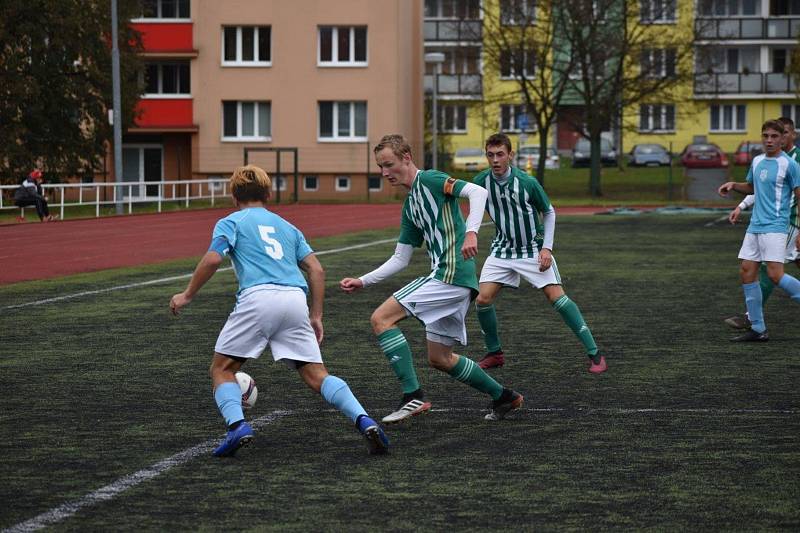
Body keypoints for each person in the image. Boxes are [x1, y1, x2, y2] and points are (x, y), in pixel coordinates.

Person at [170, 165, 389, 457]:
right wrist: (316, 316)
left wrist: (186, 295)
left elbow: (212, 260)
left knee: (222, 369)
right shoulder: (288, 227)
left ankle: (237, 425)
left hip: (258, 298)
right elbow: (317, 270)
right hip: (294, 299)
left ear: (234, 195)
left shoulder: (231, 222)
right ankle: (364, 419)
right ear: (269, 194)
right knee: (316, 375)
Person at [339, 134, 523, 423]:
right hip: (456, 283)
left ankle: (413, 395)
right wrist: (364, 280)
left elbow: (477, 192)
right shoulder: (410, 206)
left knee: (381, 319)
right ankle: (505, 397)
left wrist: (472, 231)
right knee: (440, 358)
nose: (385, 173)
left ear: (407, 158)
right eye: (380, 167)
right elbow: (401, 258)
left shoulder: (432, 180)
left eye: (389, 164)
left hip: (449, 276)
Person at [471, 133, 606, 373]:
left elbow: (549, 212)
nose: (495, 160)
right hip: (502, 250)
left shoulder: (527, 182)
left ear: (510, 155)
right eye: (490, 155)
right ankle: (495, 353)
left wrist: (546, 248)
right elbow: (462, 198)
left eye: (500, 154)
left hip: (533, 249)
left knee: (557, 298)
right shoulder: (480, 182)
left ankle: (594, 353)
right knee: (482, 300)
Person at [718, 119, 800, 341]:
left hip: (776, 226)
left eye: (774, 136)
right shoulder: (757, 161)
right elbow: (753, 187)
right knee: (747, 271)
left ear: (782, 138)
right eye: (766, 136)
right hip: (755, 226)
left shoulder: (790, 165)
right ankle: (758, 328)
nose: (770, 140)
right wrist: (734, 186)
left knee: (775, 275)